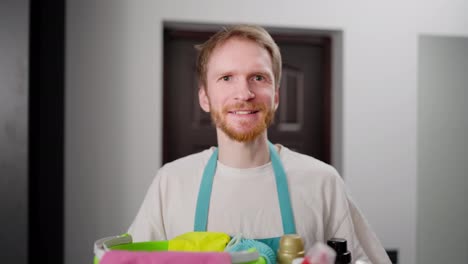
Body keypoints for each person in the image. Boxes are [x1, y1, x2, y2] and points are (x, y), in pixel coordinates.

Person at [127, 24, 391, 263]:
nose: (244, 93)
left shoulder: (321, 181)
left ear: (275, 96)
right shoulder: (171, 182)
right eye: (226, 78)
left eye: (258, 77)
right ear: (205, 98)